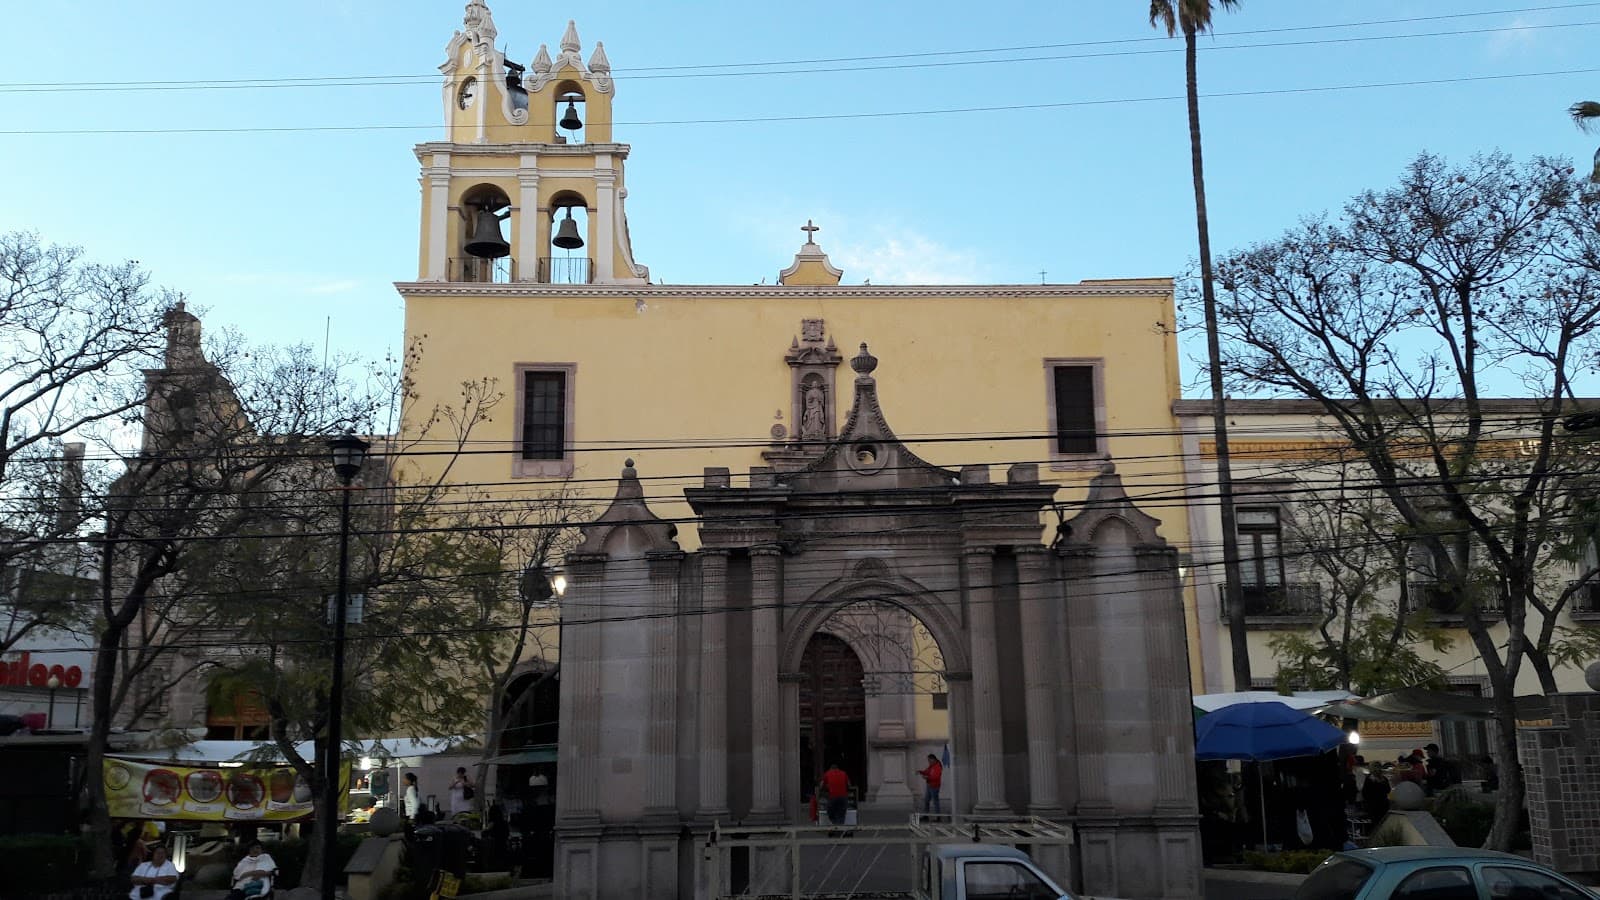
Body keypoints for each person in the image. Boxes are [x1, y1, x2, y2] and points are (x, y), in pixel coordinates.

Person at [820, 762, 851, 826]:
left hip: (833, 796)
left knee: (830, 811)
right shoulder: (843, 773)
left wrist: (826, 787)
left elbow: (821, 785)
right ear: (838, 768)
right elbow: (849, 784)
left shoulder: (827, 773)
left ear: (831, 769)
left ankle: (835, 824)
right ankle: (840, 827)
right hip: (843, 797)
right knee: (841, 813)